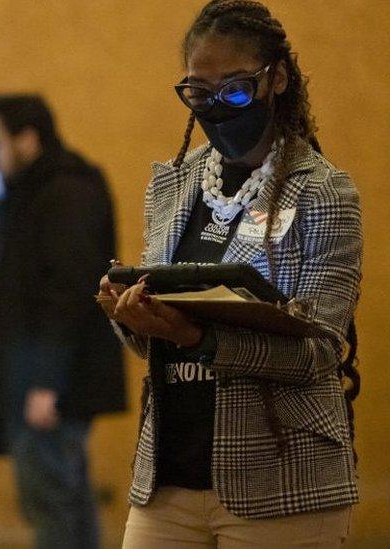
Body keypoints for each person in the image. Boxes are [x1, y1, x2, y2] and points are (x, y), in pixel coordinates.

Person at [98, 2, 362, 547]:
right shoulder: (172, 184)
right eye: (199, 91)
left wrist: (198, 337)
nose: (218, 106)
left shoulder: (324, 193)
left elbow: (320, 352)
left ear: (278, 79)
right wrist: (132, 317)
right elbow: (162, 342)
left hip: (280, 477)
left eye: (237, 89)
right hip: (168, 476)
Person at [0, 96, 125, 548]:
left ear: (27, 139)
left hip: (48, 384)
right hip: (33, 377)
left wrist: (45, 383)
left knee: (51, 500)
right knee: (63, 498)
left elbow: (69, 293)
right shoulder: (31, 192)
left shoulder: (66, 192)